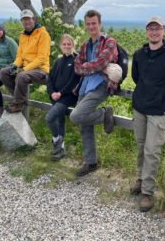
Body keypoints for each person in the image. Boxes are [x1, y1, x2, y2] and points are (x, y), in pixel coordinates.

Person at [130, 16, 165, 212]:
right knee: (140, 147)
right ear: (146, 31)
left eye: (158, 28)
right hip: (139, 108)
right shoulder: (139, 54)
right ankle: (140, 178)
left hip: (157, 111)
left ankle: (147, 192)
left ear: (164, 30)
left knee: (151, 151)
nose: (154, 32)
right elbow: (136, 77)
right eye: (150, 28)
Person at [69, 9, 117, 177]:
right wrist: (90, 66)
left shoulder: (109, 42)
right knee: (84, 125)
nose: (91, 27)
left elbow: (101, 63)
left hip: (101, 85)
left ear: (100, 24)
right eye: (88, 24)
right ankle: (91, 162)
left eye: (94, 23)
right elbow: (77, 66)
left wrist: (87, 66)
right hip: (84, 86)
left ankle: (104, 113)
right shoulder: (85, 44)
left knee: (75, 116)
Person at [0, 9, 50, 113]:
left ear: (33, 19)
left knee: (21, 76)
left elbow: (42, 58)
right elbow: (20, 56)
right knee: (3, 72)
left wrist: (24, 69)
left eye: (28, 19)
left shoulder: (43, 34)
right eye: (24, 20)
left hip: (40, 68)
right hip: (26, 68)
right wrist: (14, 65)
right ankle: (18, 98)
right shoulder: (22, 35)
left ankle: (18, 104)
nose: (26, 22)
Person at [45, 34, 80, 161]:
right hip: (54, 97)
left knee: (49, 118)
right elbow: (50, 79)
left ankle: (56, 141)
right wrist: (51, 92)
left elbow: (74, 81)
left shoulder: (76, 59)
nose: (66, 46)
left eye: (69, 44)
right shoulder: (58, 61)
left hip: (67, 97)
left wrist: (60, 93)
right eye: (64, 44)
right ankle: (61, 150)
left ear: (73, 45)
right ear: (60, 46)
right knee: (60, 121)